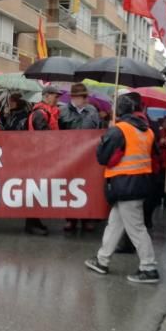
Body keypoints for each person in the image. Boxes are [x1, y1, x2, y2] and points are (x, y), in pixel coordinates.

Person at [85, 93, 159, 283]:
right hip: (139, 183)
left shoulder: (119, 130)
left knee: (136, 228)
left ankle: (149, 267)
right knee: (115, 224)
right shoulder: (147, 130)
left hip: (124, 184)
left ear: (119, 111)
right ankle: (102, 260)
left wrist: (109, 132)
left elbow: (102, 157)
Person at [59, 83, 100, 234]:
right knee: (70, 187)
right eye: (78, 97)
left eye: (83, 97)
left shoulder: (92, 111)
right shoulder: (62, 112)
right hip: (69, 156)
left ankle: (87, 218)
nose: (81, 99)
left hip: (88, 156)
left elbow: (97, 131)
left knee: (87, 187)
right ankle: (71, 219)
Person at [24, 85, 62, 235]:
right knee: (36, 190)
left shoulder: (48, 113)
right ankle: (31, 223)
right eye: (55, 96)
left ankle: (35, 221)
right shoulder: (40, 113)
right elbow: (44, 136)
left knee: (39, 190)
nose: (57, 99)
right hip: (37, 157)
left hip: (42, 156)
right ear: (46, 96)